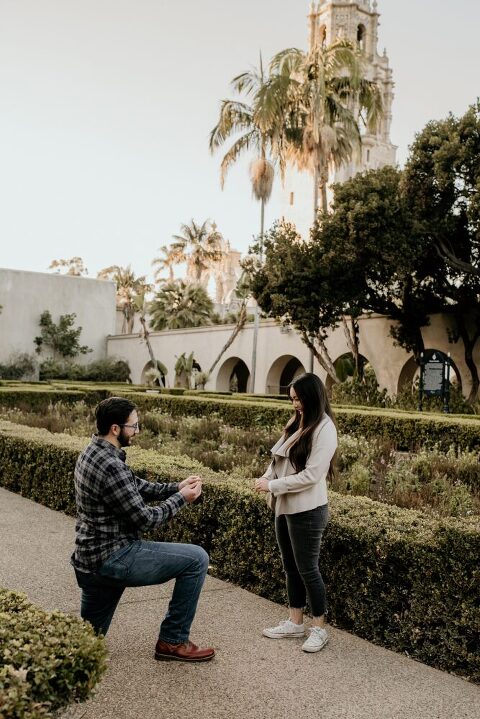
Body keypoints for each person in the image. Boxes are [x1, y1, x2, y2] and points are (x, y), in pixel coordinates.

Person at [71, 396, 215, 663]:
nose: (137, 432)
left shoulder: (93, 451)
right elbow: (146, 520)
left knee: (82, 649)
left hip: (88, 560)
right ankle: (173, 642)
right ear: (116, 428)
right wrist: (182, 498)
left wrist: (175, 486)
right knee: (197, 559)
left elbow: (135, 485)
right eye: (133, 426)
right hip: (114, 558)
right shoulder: (112, 466)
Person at [254, 373, 337, 653]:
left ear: (312, 397)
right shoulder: (297, 423)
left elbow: (312, 476)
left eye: (299, 399)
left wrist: (272, 485)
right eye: (292, 399)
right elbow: (278, 459)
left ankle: (319, 629)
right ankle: (295, 622)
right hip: (284, 505)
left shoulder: (325, 429)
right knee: (290, 567)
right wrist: (266, 478)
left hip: (308, 510)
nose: (295, 404)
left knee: (308, 570)